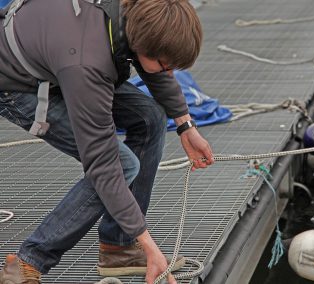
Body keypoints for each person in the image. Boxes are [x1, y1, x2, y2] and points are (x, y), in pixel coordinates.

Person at [0, 0, 214, 283]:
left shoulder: (139, 14)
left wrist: (186, 126)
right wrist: (151, 247)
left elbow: (156, 67)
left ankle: (118, 247)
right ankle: (29, 261)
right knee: (122, 165)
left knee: (149, 117)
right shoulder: (87, 62)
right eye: (166, 65)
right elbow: (103, 165)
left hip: (61, 59)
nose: (170, 73)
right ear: (140, 43)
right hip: (20, 83)